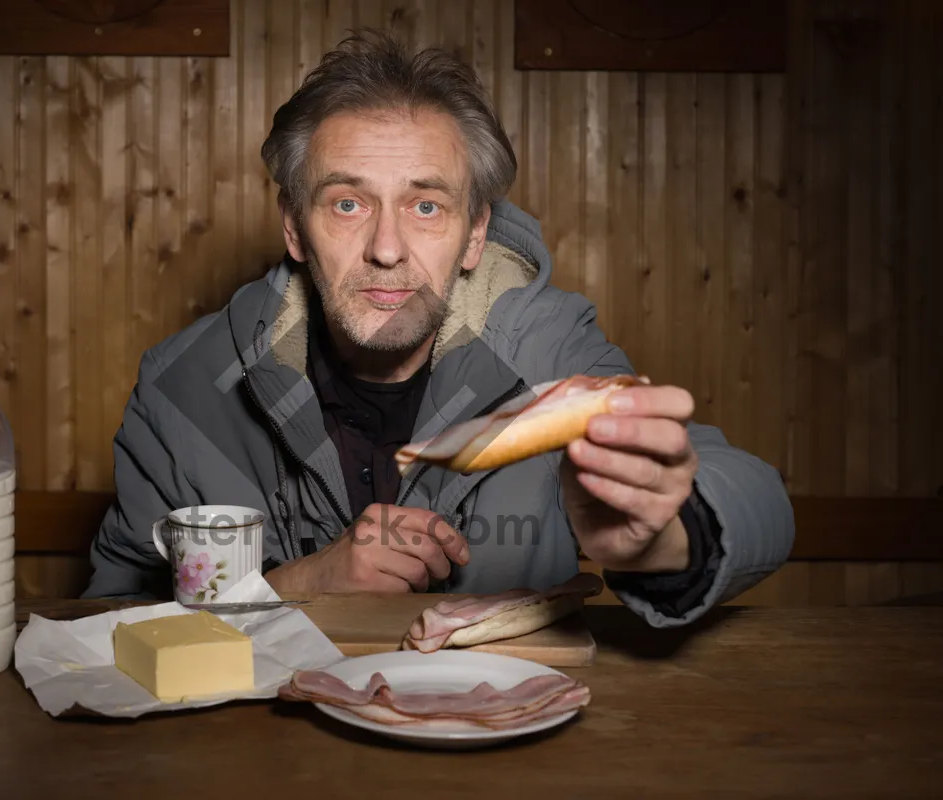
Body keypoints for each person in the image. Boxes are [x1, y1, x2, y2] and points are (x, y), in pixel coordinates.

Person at [82, 29, 795, 628]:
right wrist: (302, 584)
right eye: (347, 204)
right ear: (295, 227)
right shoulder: (185, 389)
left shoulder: (545, 348)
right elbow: (108, 619)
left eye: (426, 207)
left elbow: (757, 499)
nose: (387, 249)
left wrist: (660, 542)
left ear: (475, 233)